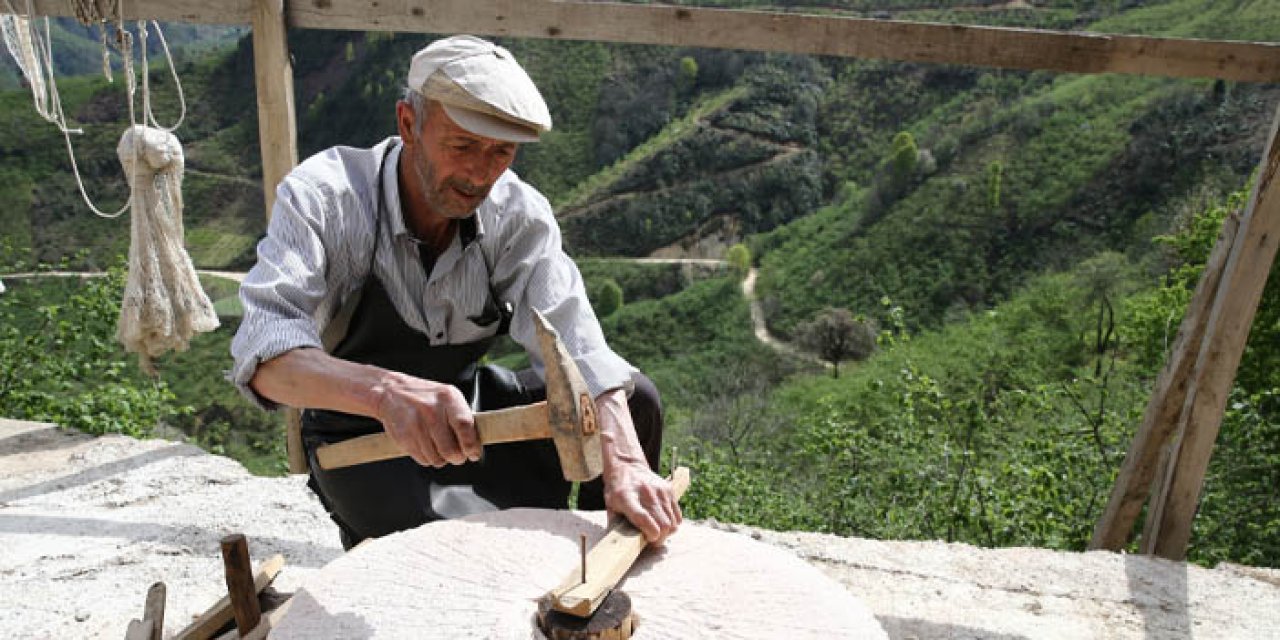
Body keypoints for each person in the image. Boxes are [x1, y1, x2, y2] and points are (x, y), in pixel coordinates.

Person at [230, 35, 680, 550]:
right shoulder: (326, 198)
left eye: (501, 152)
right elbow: (263, 358)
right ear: (408, 125)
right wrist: (386, 393)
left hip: (469, 417)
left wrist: (623, 461)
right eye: (463, 146)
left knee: (633, 400)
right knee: (457, 551)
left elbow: (578, 345)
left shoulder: (518, 214)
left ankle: (601, 568)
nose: (480, 173)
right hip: (359, 438)